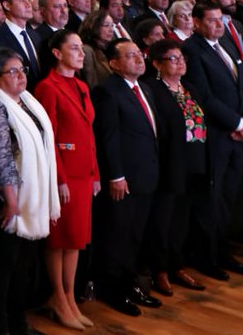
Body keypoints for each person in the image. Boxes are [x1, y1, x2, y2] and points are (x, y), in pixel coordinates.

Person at [0, 48, 59, 335]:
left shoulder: (28, 101)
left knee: (24, 268)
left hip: (34, 197)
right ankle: (1, 325)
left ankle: (19, 321)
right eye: (12, 72)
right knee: (5, 269)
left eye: (22, 70)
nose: (20, 76)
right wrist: (11, 198)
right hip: (13, 200)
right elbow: (4, 155)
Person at [181, 1, 243, 280]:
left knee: (228, 198)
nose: (217, 25)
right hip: (215, 136)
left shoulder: (226, 44)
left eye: (220, 20)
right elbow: (203, 95)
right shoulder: (192, 49)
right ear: (197, 22)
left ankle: (224, 252)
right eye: (211, 20)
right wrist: (236, 123)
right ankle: (206, 256)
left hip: (237, 136)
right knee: (210, 200)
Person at [90, 39, 163, 317]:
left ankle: (130, 283)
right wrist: (116, 175)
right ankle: (113, 290)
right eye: (130, 56)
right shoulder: (107, 92)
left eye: (139, 54)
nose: (138, 59)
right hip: (124, 178)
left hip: (147, 173)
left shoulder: (143, 87)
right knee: (117, 235)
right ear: (114, 63)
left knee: (135, 234)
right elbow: (108, 138)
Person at [33, 29, 98, 331]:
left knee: (76, 241)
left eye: (81, 48)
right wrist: (58, 178)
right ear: (57, 53)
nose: (81, 53)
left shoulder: (82, 85)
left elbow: (88, 132)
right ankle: (57, 298)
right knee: (59, 240)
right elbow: (50, 138)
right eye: (74, 48)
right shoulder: (48, 87)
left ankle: (70, 296)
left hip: (83, 172)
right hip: (63, 174)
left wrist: (95, 173)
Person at [145, 40, 208, 295]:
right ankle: (159, 270)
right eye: (173, 58)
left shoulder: (190, 88)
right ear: (157, 64)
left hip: (195, 162)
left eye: (182, 57)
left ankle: (177, 264)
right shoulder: (153, 90)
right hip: (170, 165)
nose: (180, 62)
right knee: (163, 219)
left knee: (183, 219)